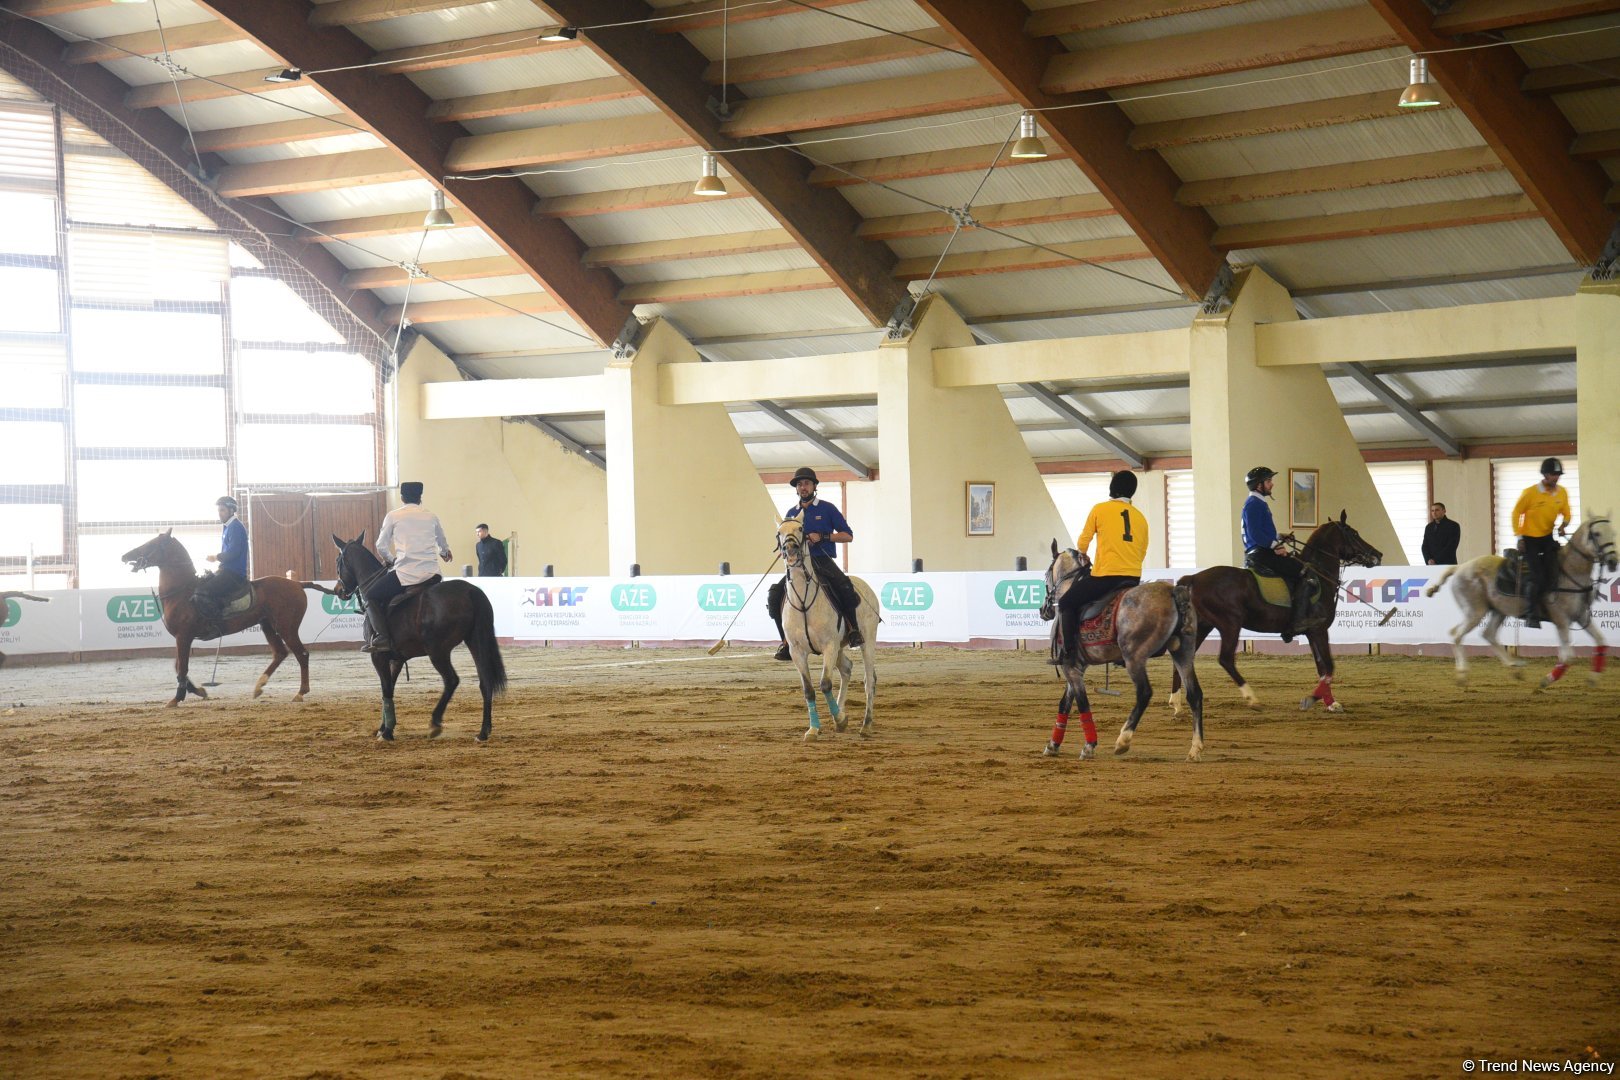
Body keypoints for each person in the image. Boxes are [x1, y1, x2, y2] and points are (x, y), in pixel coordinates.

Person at [767, 466, 863, 661]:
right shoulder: (791, 512)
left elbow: (848, 536)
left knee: (844, 587)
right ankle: (786, 642)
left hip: (823, 560)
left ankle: (853, 630)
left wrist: (824, 536)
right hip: (797, 564)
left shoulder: (827, 508)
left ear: (814, 486)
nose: (803, 487)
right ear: (796, 489)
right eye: (800, 484)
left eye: (807, 483)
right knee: (775, 594)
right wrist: (786, 548)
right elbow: (787, 536)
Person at [1054, 470, 1148, 663]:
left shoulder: (1100, 509)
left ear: (1112, 488)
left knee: (1066, 603)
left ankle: (1070, 653)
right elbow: (1142, 551)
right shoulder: (1141, 518)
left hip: (1107, 576)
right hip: (1133, 577)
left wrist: (1083, 554)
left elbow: (1082, 542)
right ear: (1131, 492)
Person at [363, 481, 451, 653]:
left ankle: (382, 637)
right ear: (420, 497)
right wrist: (445, 552)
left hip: (406, 574)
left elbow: (381, 546)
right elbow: (442, 543)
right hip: (432, 574)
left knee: (370, 596)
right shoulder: (431, 516)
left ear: (402, 497)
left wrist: (391, 559)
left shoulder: (394, 516)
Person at [1242, 465, 1310, 643]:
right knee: (1302, 571)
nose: (1272, 484)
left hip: (1263, 550)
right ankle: (1296, 621)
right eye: (1269, 481)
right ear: (1259, 485)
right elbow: (1255, 534)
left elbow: (1261, 531)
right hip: (1261, 554)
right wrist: (1275, 546)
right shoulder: (1254, 504)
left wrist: (1279, 537)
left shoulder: (1258, 503)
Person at [1512, 457, 1571, 628]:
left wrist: (1564, 525)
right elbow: (1516, 513)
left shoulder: (1562, 492)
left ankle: (1548, 608)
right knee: (1537, 576)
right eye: (1553, 474)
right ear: (1545, 474)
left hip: (1547, 538)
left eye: (1558, 474)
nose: (1556, 477)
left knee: (1554, 572)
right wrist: (1519, 537)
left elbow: (1566, 513)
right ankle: (1531, 614)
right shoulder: (1530, 492)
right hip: (1529, 540)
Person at [195, 495, 248, 618]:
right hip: (226, 570)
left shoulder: (235, 527)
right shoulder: (228, 527)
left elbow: (234, 552)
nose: (219, 513)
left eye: (222, 510)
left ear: (231, 510)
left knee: (203, 591)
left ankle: (217, 621)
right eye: (219, 511)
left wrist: (216, 557)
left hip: (234, 573)